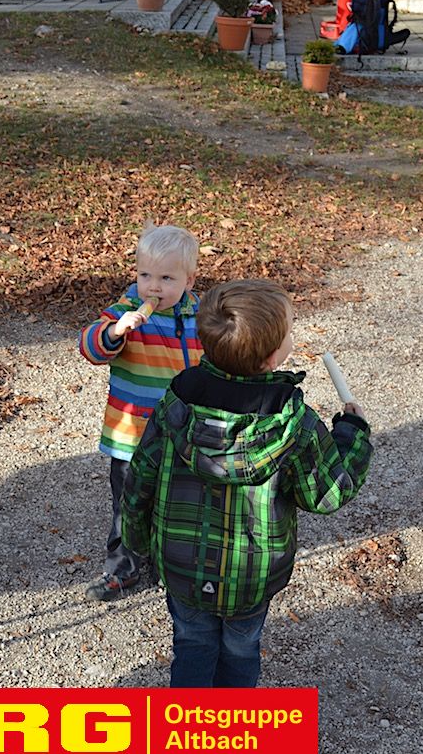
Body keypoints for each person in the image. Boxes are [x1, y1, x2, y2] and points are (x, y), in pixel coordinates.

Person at [121, 279, 373, 687]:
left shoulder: (177, 403)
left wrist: (138, 541)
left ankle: (188, 722)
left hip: (183, 564)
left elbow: (139, 479)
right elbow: (328, 493)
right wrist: (351, 434)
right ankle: (233, 721)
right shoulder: (293, 424)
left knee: (192, 643)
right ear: (273, 356)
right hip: (251, 578)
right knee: (241, 649)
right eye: (289, 332)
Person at [78, 225, 203, 602]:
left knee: (177, 504)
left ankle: (169, 563)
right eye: (145, 275)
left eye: (166, 278)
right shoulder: (125, 312)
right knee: (129, 504)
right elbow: (91, 347)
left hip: (181, 437)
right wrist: (115, 331)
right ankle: (122, 567)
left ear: (189, 280)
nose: (153, 287)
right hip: (132, 437)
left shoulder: (201, 317)